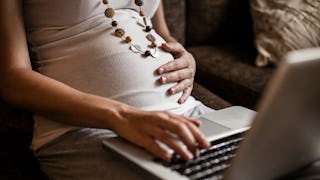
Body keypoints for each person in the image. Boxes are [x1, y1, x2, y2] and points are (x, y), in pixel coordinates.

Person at [0, 0, 214, 179]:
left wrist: (186, 58)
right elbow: (12, 79)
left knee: (245, 163)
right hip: (88, 129)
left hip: (185, 114)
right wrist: (120, 116)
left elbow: (160, 32)